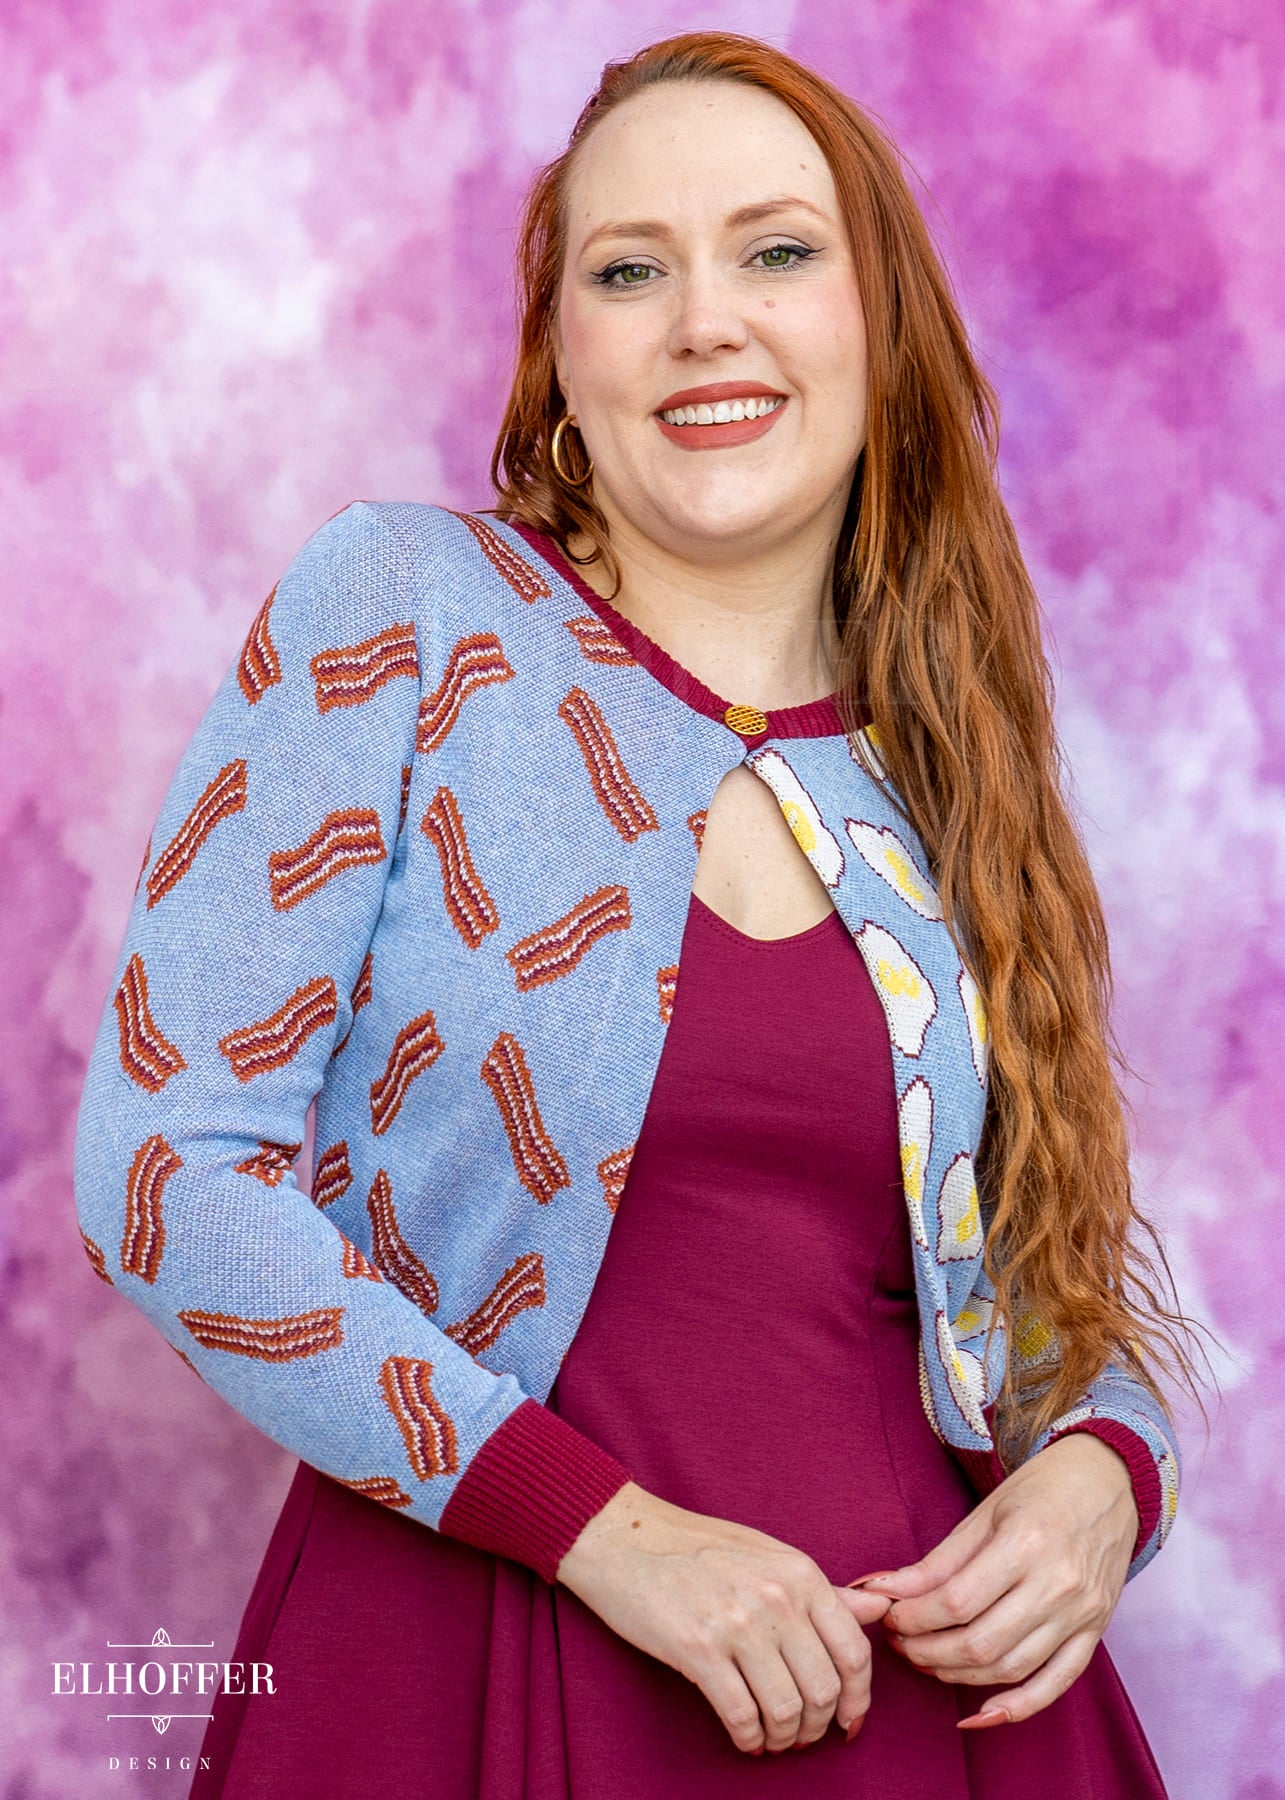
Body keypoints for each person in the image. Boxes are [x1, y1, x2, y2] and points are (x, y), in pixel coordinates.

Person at [73, 30, 1201, 1798]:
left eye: (775, 252)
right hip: (465, 1656)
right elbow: (165, 1172)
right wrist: (602, 1531)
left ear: (879, 324)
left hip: (935, 1718)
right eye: (628, 270)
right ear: (561, 356)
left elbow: (1031, 1285)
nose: (703, 321)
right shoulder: (404, 610)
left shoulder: (951, 751)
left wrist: (1103, 1476)